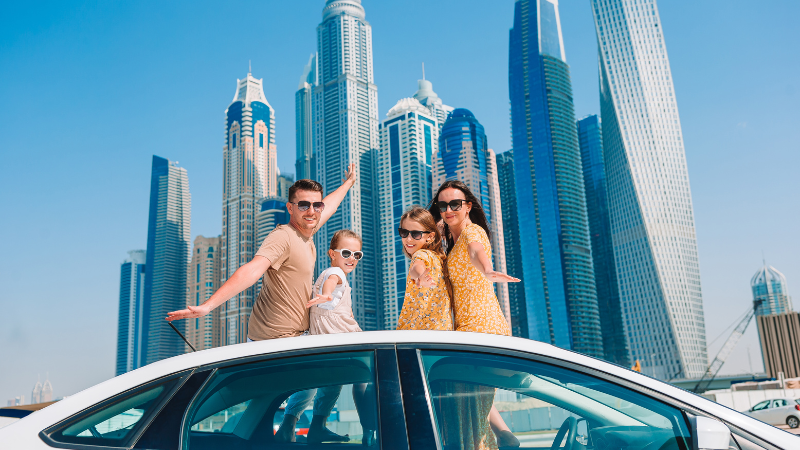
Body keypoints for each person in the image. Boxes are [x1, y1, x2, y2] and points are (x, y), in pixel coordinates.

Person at [166, 164, 357, 443]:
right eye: (304, 205)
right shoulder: (283, 237)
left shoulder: (307, 232)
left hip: (295, 336)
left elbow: (329, 205)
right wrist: (208, 306)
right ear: (290, 208)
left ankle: (288, 431)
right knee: (326, 374)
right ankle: (291, 429)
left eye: (316, 205)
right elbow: (253, 269)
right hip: (275, 339)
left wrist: (348, 183)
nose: (312, 210)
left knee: (319, 380)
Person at [429, 180, 521, 450]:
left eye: (455, 204)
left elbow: (476, 250)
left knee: (468, 407)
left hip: (482, 327)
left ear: (468, 206)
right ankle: (504, 434)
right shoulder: (451, 240)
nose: (448, 210)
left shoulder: (473, 232)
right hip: (466, 330)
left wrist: (488, 269)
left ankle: (493, 440)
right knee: (469, 401)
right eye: (442, 205)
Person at [304, 229, 377, 446]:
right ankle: (370, 430)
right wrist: (326, 294)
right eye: (346, 253)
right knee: (366, 376)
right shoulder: (335, 273)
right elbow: (332, 281)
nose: (352, 258)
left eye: (357, 255)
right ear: (332, 254)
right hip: (339, 335)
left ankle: (317, 427)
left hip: (327, 337)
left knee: (332, 385)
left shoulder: (331, 273)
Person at [395, 207, 453, 331]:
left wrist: (419, 276)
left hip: (417, 332)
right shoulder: (439, 259)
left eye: (415, 234)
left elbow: (417, 266)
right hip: (440, 331)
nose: (408, 239)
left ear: (430, 236)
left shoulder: (421, 254)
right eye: (404, 233)